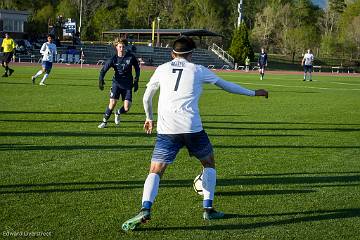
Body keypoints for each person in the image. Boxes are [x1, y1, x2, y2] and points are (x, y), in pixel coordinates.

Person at [121, 36, 269, 231]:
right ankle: (208, 208)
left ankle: (145, 208)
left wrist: (149, 118)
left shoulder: (161, 69)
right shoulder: (198, 70)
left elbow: (147, 97)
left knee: (155, 171)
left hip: (167, 130)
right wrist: (253, 93)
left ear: (172, 53)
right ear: (191, 54)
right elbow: (226, 86)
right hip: (192, 128)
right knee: (209, 163)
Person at [97, 38, 140, 128]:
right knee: (112, 103)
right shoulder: (113, 59)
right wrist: (101, 80)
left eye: (123, 47)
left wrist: (136, 80)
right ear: (116, 47)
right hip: (116, 83)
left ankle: (118, 112)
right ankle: (104, 122)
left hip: (127, 85)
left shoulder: (131, 57)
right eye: (120, 46)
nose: (122, 48)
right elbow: (103, 70)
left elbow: (137, 68)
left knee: (126, 108)